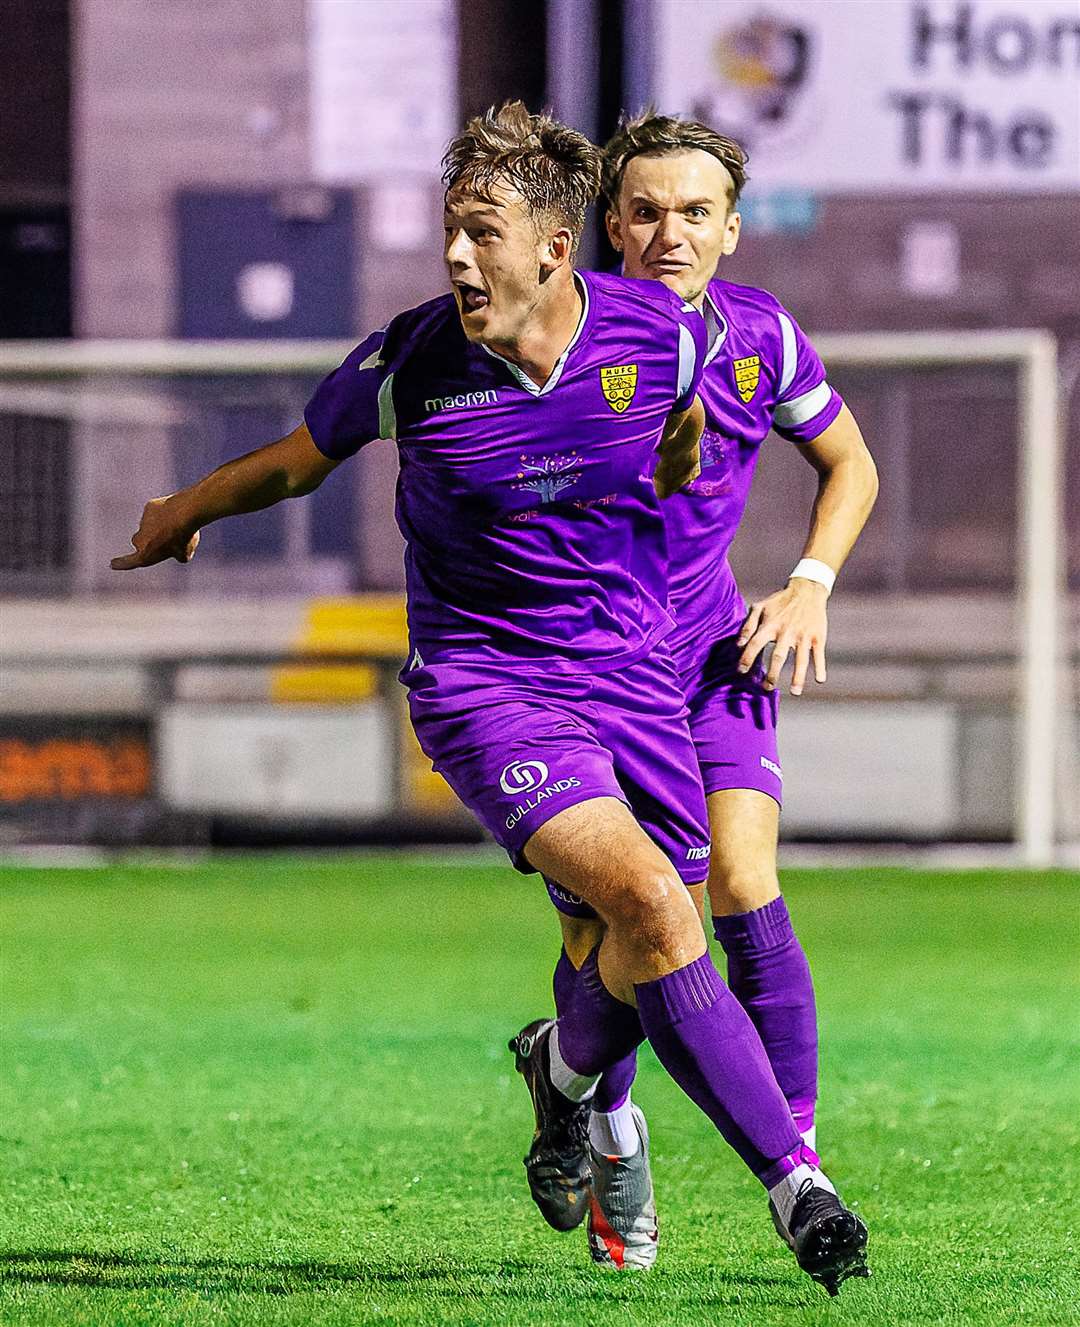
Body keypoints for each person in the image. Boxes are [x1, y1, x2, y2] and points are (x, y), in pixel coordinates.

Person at [111, 102, 868, 1297]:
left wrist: (703, 493)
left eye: (481, 236)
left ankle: (564, 1081)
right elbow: (294, 461)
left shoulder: (667, 339)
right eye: (450, 233)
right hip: (488, 688)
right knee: (657, 913)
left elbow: (677, 425)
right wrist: (182, 512)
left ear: (554, 248)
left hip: (633, 674)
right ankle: (798, 1183)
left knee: (628, 939)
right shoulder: (413, 358)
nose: (458, 259)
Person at [525, 110, 878, 1279]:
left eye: (693, 211)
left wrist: (811, 582)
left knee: (741, 880)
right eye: (644, 209)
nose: (668, 229)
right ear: (607, 224)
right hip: (576, 678)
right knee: (618, 933)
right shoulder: (548, 346)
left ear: (731, 228)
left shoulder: (760, 337)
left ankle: (801, 1164)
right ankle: (602, 1121)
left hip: (713, 656)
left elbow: (850, 464)